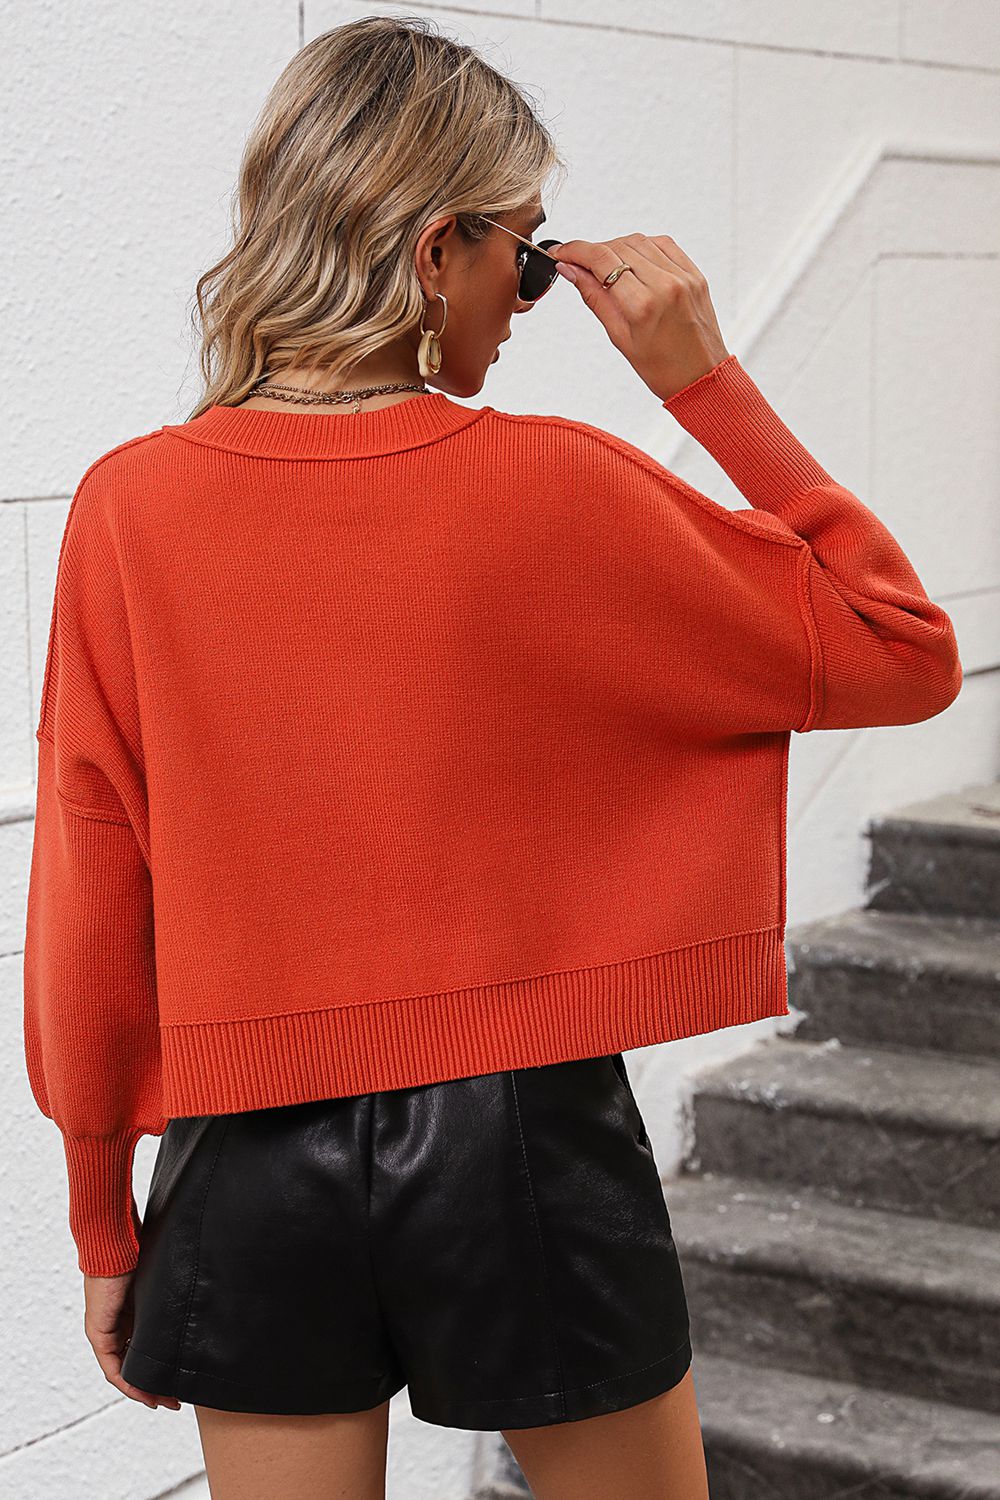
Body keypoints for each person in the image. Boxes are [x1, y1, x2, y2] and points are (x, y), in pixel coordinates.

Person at [22, 16, 962, 1500]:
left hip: (244, 1157)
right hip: (521, 1138)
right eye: (526, 258)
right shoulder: (560, 487)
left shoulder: (127, 509)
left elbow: (89, 883)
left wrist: (100, 1216)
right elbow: (901, 648)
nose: (531, 303)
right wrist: (704, 381)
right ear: (432, 252)